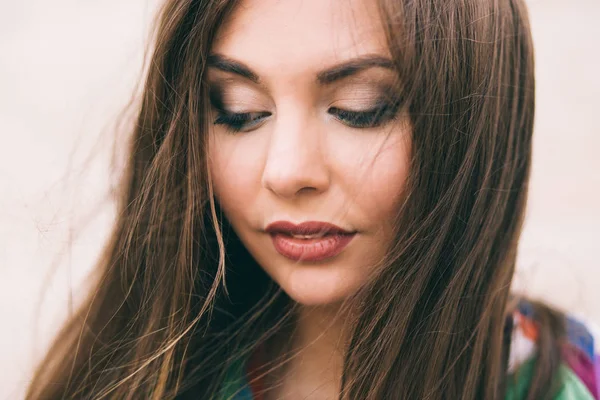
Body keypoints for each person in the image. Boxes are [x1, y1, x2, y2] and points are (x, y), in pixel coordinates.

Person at [25, 0, 599, 399]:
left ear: (475, 121)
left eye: (359, 107)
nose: (286, 170)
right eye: (240, 111)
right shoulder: (143, 374)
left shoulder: (560, 384)